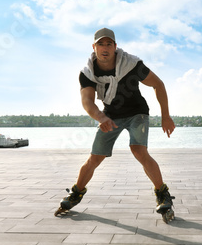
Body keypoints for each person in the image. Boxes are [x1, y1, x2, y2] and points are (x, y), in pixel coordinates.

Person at [55, 28, 176, 221]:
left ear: (115, 47)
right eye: (100, 44)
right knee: (95, 159)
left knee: (138, 150)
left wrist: (166, 116)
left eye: (109, 44)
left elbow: (158, 84)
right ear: (94, 47)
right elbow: (87, 101)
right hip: (110, 115)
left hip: (137, 112)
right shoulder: (87, 73)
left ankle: (162, 193)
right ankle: (76, 193)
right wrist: (101, 117)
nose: (105, 48)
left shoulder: (132, 64)